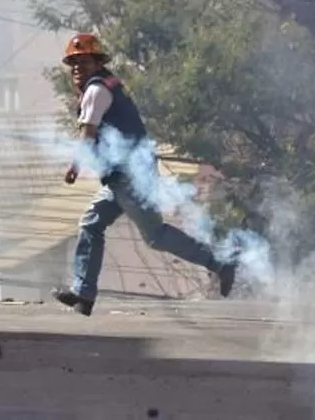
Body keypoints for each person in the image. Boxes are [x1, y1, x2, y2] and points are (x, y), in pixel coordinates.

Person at [53, 33, 237, 316]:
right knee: (91, 223)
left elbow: (88, 134)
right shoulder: (106, 86)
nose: (78, 68)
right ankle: (83, 295)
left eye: (84, 62)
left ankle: (219, 263)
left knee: (155, 236)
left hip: (129, 176)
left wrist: (74, 167)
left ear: (97, 62)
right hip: (123, 176)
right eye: (74, 63)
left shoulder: (96, 91)